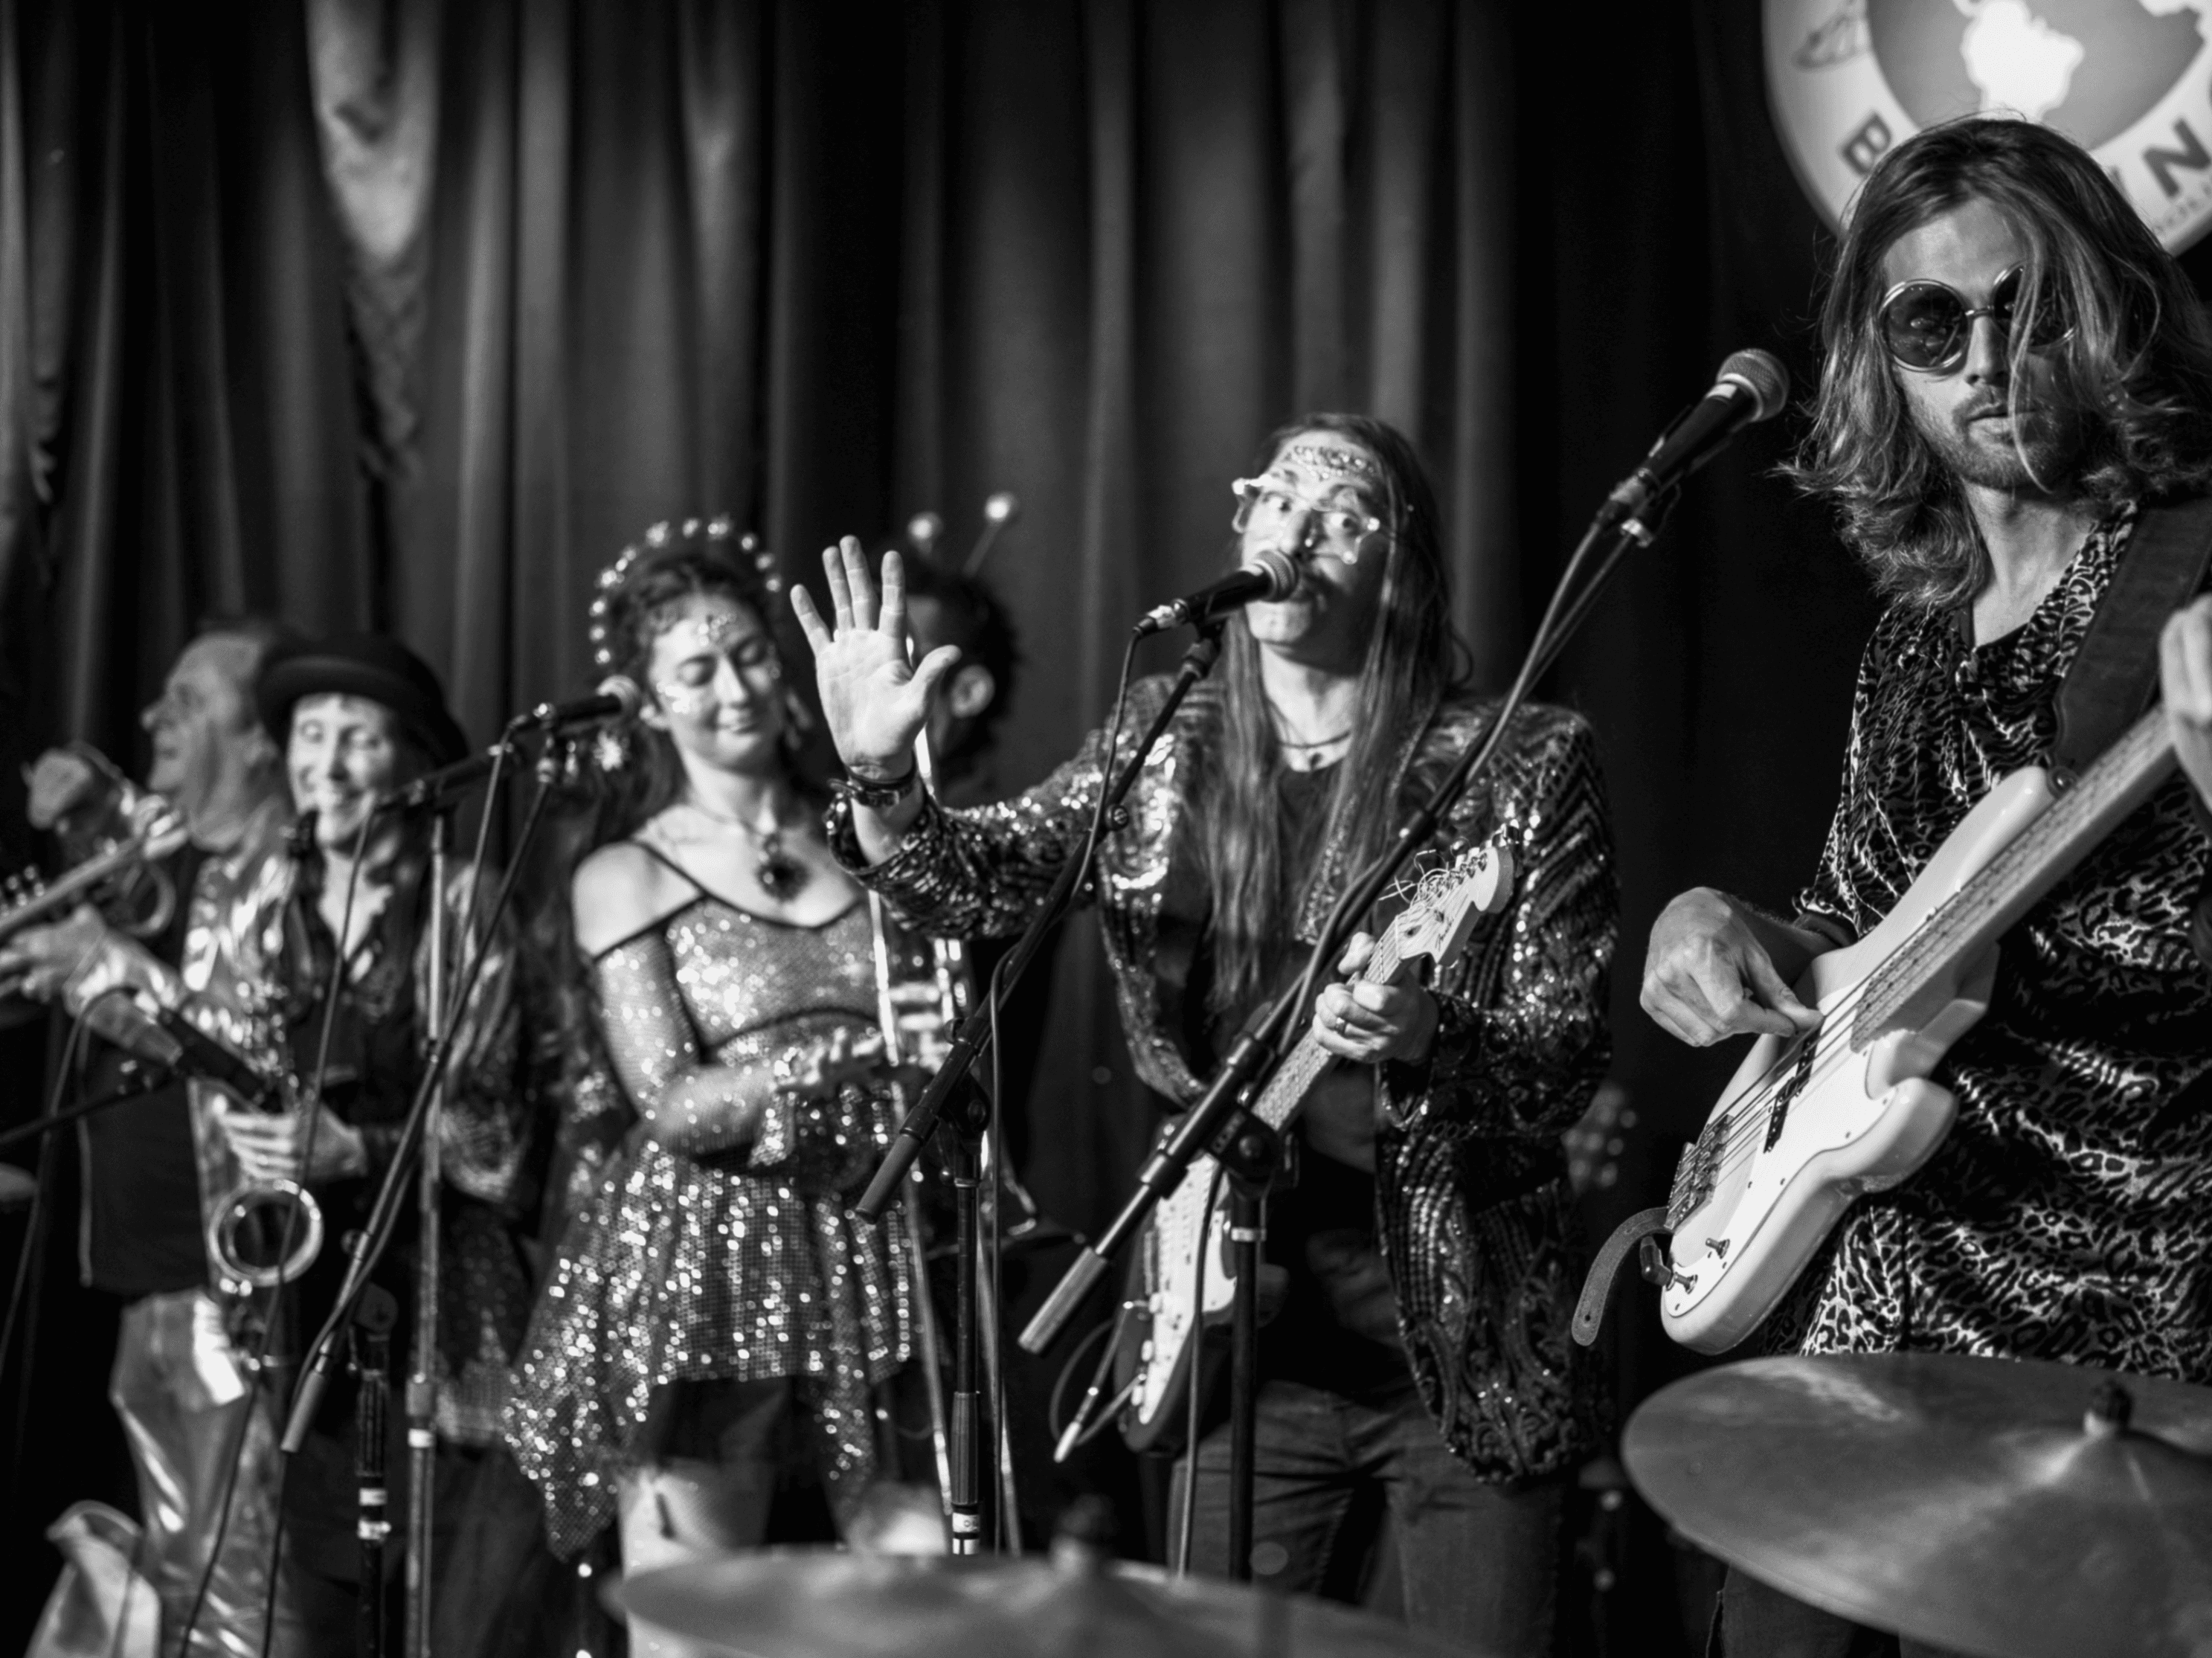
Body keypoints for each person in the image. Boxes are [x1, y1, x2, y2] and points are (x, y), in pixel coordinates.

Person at [796, 414, 1618, 1655]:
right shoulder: (1164, 739)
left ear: (1399, 564)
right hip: (1234, 1336)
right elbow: (978, 884)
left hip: (1459, 1349)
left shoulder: (1519, 763)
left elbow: (1563, 1056)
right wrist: (879, 781)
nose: (1297, 527)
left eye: (1341, 513)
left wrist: (1426, 1034)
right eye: (1275, 497)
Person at [1639, 118, 2212, 1657]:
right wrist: (1714, 924)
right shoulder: (1910, 643)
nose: (1988, 357)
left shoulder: (2183, 578)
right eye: (1930, 323)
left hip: (2109, 1350)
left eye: (2028, 306)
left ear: (2109, 306)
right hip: (1863, 1329)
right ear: (1875, 363)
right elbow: (1850, 932)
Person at [34, 630, 536, 1657]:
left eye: (359, 737)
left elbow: (504, 1138)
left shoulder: (460, 900)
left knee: (448, 1611)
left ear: (412, 762)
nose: (327, 764)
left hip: (444, 1319)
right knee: (315, 1603)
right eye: (311, 735)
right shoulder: (256, 897)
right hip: (304, 1322)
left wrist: (359, 1146)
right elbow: (226, 1056)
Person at [503, 518, 916, 1656]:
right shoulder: (625, 870)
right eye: (696, 670)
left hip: (879, 1239)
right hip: (712, 1262)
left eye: (748, 655)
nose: (733, 689)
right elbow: (675, 1106)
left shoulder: (873, 833)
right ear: (647, 704)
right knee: (696, 1623)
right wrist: (836, 1059)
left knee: (924, 1600)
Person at [0, 618, 297, 1658]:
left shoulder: (283, 867)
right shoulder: (182, 862)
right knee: (180, 1573)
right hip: (145, 1275)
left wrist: (98, 965)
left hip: (228, 1281)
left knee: (242, 1591)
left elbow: (246, 1051)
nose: (153, 716)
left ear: (263, 739)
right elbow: (136, 903)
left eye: (190, 701)